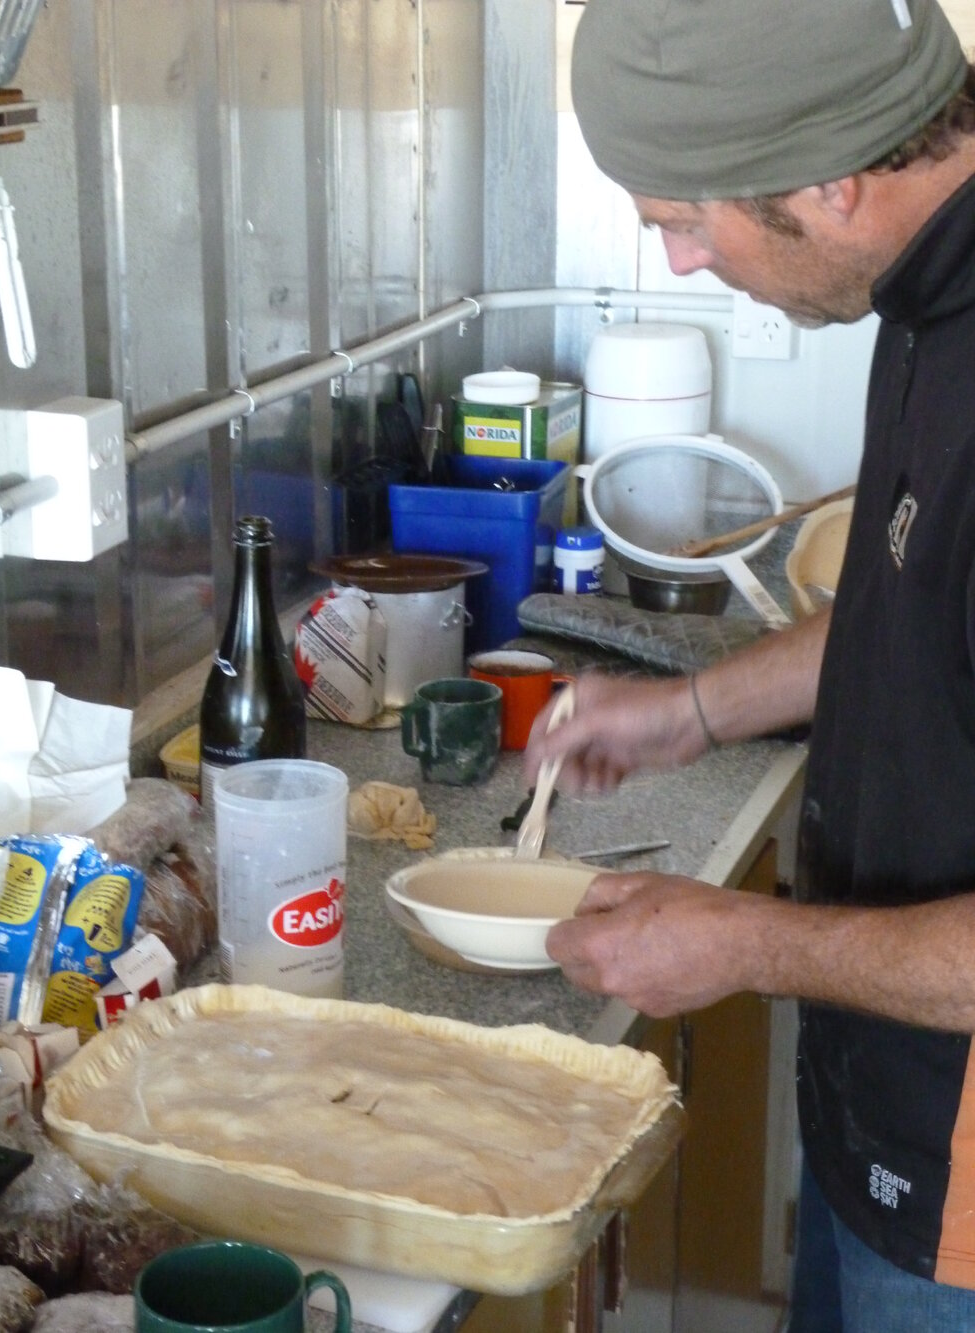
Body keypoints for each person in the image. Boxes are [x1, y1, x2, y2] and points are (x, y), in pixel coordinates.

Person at [523, 1, 975, 1328]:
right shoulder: (926, 293)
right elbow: (912, 611)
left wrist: (742, 938)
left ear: (829, 179)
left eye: (683, 218)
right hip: (873, 1117)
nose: (672, 263)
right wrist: (691, 713)